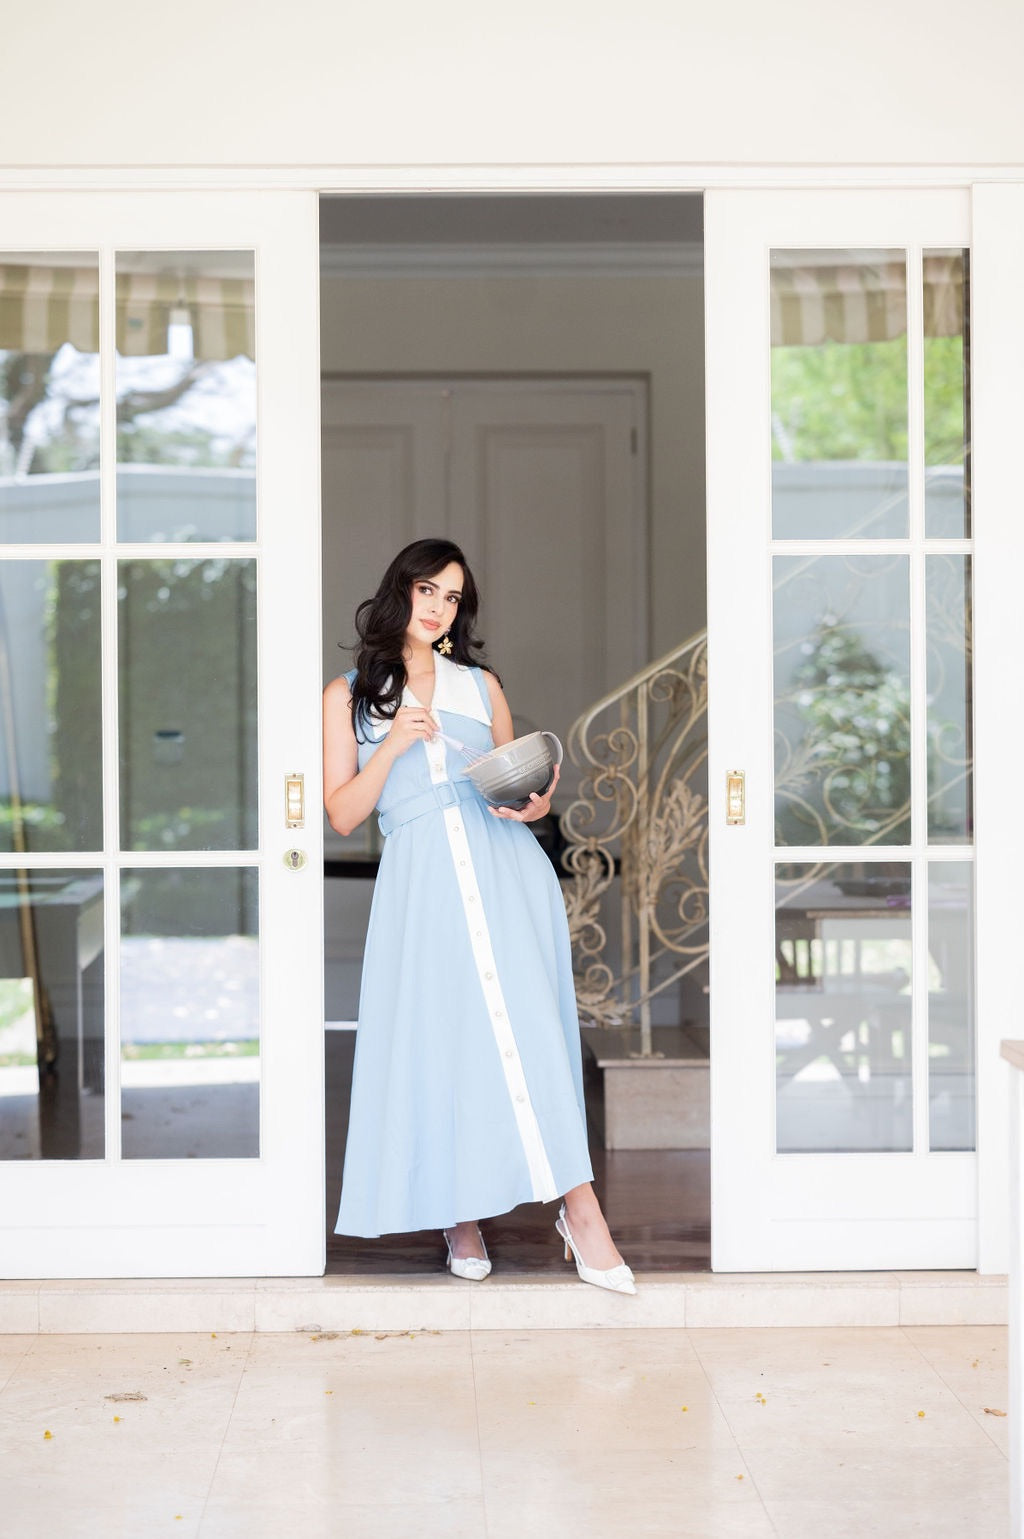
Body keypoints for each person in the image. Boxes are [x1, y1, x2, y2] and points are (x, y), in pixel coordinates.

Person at [323, 537, 634, 1295]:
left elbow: (512, 790)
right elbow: (341, 814)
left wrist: (535, 802)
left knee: (532, 1034)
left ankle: (580, 1210)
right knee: (445, 1040)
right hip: (422, 885)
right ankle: (458, 1214)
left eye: (453, 597)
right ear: (400, 592)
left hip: (504, 872)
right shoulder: (347, 696)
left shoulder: (481, 684)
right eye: (428, 590)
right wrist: (392, 741)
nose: (438, 608)